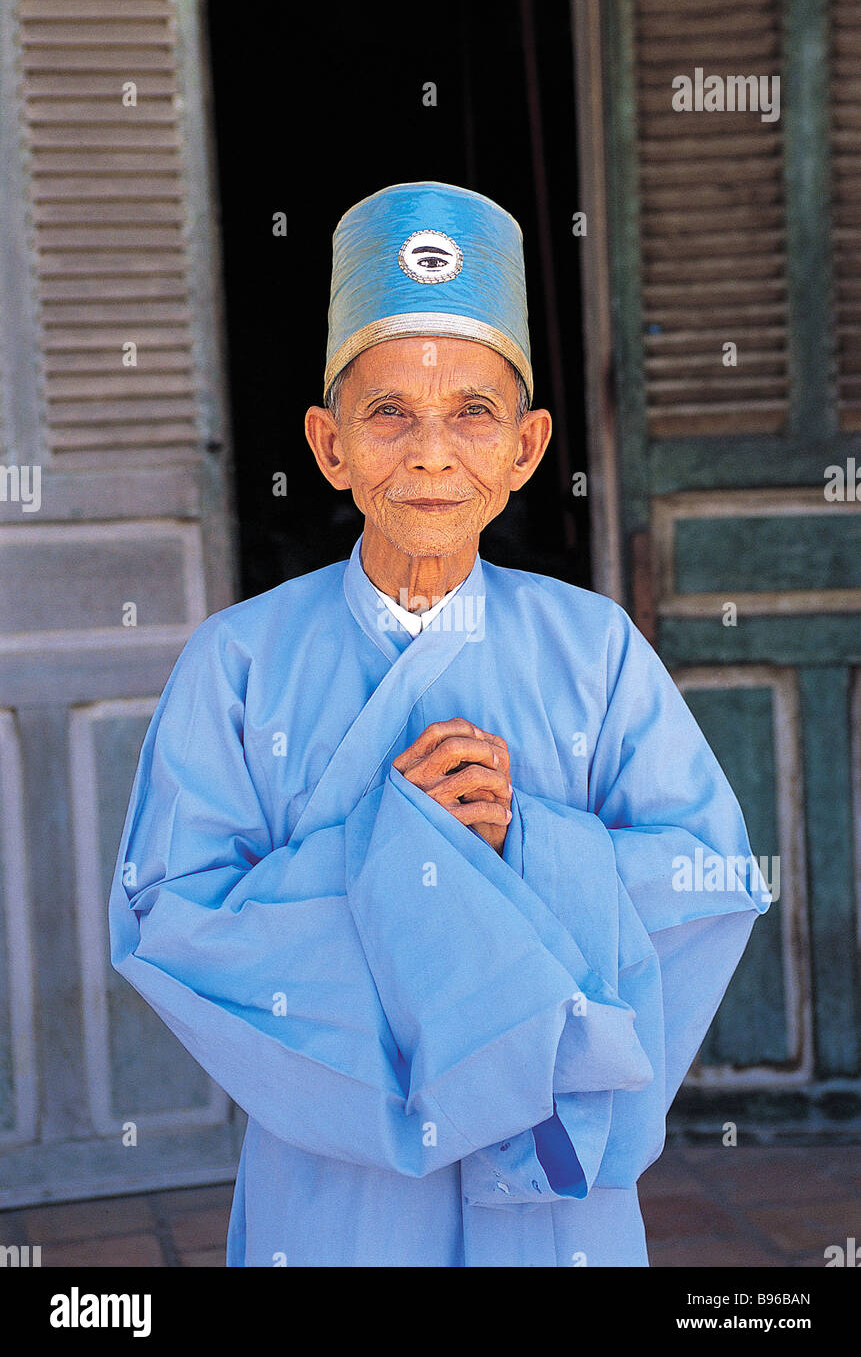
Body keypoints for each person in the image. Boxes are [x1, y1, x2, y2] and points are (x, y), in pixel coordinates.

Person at [109, 180, 771, 1267]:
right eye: (388, 414)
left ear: (525, 446)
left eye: (473, 411)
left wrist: (528, 844)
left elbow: (711, 879)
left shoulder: (594, 651)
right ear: (328, 446)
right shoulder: (236, 664)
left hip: (556, 1207)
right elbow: (168, 922)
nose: (430, 453)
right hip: (338, 1197)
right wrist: (395, 852)